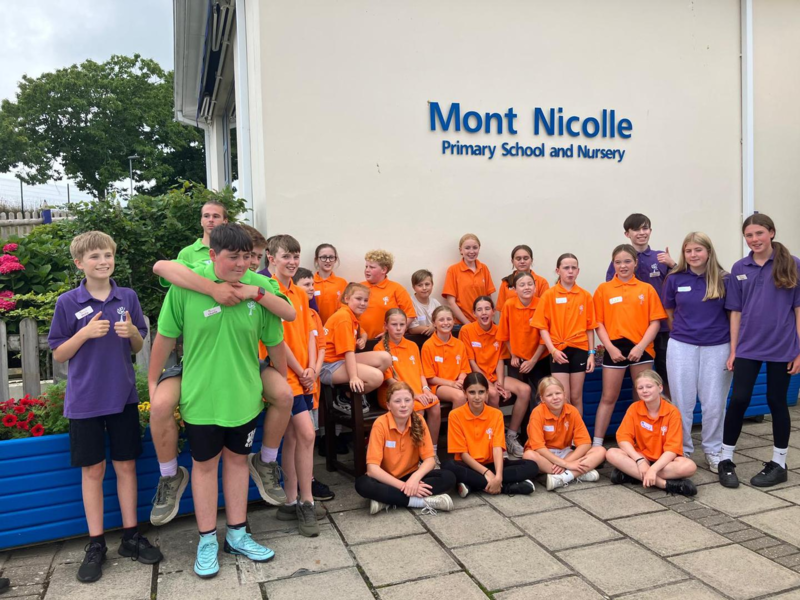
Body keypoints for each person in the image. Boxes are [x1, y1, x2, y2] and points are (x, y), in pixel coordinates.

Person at [154, 224, 284, 578]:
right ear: (213, 255)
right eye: (233, 257)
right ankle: (207, 539)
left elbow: (276, 338)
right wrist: (152, 381)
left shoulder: (258, 289)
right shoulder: (187, 287)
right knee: (205, 467)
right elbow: (165, 337)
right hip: (202, 397)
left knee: (238, 463)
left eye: (247, 257)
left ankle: (238, 535)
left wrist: (280, 380)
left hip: (244, 396)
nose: (241, 264)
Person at [48, 231, 162, 583]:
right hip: (84, 401)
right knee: (93, 471)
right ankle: (96, 543)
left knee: (126, 466)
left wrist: (132, 334)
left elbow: (137, 344)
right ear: (79, 263)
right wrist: (84, 333)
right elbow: (59, 353)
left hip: (123, 396)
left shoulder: (127, 296)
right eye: (95, 256)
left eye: (108, 255)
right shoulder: (68, 302)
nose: (103, 261)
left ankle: (131, 536)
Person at [719, 214, 800, 488]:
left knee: (776, 400)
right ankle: (726, 459)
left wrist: (799, 351)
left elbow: (798, 310)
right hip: (748, 346)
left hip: (782, 346)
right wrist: (734, 350)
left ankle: (779, 463)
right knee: (739, 399)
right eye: (749, 235)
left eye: (759, 233)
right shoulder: (740, 267)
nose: (754, 239)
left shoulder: (792, 264)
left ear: (772, 233)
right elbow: (735, 312)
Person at [265, 235, 323, 536]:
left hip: (303, 376)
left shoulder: (300, 293)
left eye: (295, 256)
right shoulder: (268, 290)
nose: (291, 261)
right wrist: (301, 371)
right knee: (307, 433)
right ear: (271, 258)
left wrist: (311, 368)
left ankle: (290, 502)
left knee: (293, 438)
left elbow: (310, 333)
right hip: (284, 375)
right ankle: (307, 501)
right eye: (286, 256)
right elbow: (276, 339)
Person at [663, 232, 732, 474]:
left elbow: (733, 315)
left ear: (708, 252)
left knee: (714, 403)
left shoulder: (724, 279)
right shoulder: (674, 278)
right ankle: (681, 450)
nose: (693, 255)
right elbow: (669, 311)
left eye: (698, 250)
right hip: (682, 346)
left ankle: (713, 450)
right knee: (682, 402)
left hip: (718, 347)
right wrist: (685, 333)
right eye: (688, 250)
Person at [592, 244, 667, 445]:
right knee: (608, 397)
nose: (623, 266)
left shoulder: (647, 289)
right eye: (618, 262)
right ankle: (596, 444)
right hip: (614, 349)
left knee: (643, 398)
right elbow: (598, 323)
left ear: (635, 263)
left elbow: (655, 322)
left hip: (641, 349)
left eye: (627, 261)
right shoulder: (603, 290)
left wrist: (641, 346)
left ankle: (644, 442)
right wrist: (609, 348)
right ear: (613, 264)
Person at [355, 382, 455, 514]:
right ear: (388, 405)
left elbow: (430, 460)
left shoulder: (419, 420)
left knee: (448, 477)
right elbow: (372, 470)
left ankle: (387, 500)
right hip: (386, 479)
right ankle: (421, 502)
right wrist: (404, 486)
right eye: (397, 401)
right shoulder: (380, 424)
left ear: (413, 403)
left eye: (407, 400)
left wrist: (414, 479)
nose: (403, 405)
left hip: (410, 475)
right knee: (363, 484)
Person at [606, 213, 675, 396]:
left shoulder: (661, 258)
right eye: (636, 229)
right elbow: (611, 292)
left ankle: (669, 411)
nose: (641, 233)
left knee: (666, 376)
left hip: (661, 328)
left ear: (650, 231)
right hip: (634, 332)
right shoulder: (621, 260)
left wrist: (673, 264)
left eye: (645, 228)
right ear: (627, 234)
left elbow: (681, 281)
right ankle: (639, 413)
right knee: (640, 382)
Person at [442, 373, 538, 497]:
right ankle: (507, 487)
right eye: (472, 392)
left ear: (487, 393)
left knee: (531, 466)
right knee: (448, 466)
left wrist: (498, 476)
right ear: (465, 393)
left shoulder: (496, 414)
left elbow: (497, 448)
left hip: (492, 463)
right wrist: (487, 473)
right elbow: (463, 454)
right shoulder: (455, 415)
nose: (477, 397)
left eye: (481, 392)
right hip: (468, 465)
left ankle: (475, 484)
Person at [459, 296, 531, 457]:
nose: (484, 313)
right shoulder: (466, 330)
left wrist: (499, 382)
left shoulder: (499, 330)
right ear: (474, 313)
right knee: (492, 394)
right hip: (476, 377)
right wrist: (491, 386)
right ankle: (498, 440)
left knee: (525, 390)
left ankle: (511, 436)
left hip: (495, 376)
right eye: (479, 310)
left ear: (493, 312)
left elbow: (500, 359)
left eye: (487, 309)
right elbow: (471, 362)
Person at [606, 370, 697, 496]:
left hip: (665, 462)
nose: (645, 391)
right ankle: (664, 484)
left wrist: (653, 469)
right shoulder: (634, 408)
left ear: (660, 388)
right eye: (640, 388)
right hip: (642, 457)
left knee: (689, 467)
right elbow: (623, 438)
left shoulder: (672, 412)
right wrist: (640, 461)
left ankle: (632, 474)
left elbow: (672, 449)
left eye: (649, 386)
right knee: (611, 453)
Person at [531, 254, 597, 415]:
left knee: (576, 397)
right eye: (566, 268)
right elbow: (542, 327)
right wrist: (552, 350)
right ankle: (563, 431)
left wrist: (591, 354)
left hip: (579, 349)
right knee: (563, 397)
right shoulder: (549, 295)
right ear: (558, 270)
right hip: (558, 351)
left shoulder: (585, 296)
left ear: (578, 271)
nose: (570, 271)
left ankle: (577, 431)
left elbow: (590, 327)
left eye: (573, 268)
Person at [293, 267, 335, 501]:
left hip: (312, 383)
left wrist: (315, 371)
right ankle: (299, 483)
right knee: (299, 436)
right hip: (296, 381)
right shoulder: (290, 313)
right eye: (307, 285)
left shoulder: (313, 315)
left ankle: (308, 479)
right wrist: (304, 373)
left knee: (310, 435)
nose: (312, 288)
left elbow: (321, 346)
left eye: (312, 284)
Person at [380, 309, 442, 461]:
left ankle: (432, 452)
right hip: (394, 394)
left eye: (402, 324)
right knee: (417, 408)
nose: (399, 328)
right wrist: (413, 395)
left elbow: (421, 373)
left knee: (435, 405)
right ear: (386, 326)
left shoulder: (412, 345)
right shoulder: (380, 348)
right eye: (394, 324)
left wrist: (426, 390)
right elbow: (390, 381)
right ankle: (418, 455)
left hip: (417, 390)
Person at [321, 283, 392, 415]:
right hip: (328, 366)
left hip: (341, 360)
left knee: (386, 358)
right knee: (377, 377)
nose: (363, 303)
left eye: (365, 300)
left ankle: (349, 394)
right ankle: (345, 397)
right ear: (347, 299)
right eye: (358, 299)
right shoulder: (343, 317)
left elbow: (361, 331)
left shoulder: (351, 315)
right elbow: (348, 352)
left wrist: (363, 339)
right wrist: (354, 377)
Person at [523, 378, 605, 490]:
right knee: (528, 455)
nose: (555, 397)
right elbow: (538, 447)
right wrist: (566, 465)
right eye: (549, 395)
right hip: (544, 455)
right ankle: (576, 473)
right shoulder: (537, 413)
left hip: (565, 453)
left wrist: (565, 462)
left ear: (564, 394)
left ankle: (562, 477)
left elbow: (585, 443)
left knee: (600, 450)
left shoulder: (572, 411)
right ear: (542, 399)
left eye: (558, 393)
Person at [497, 272, 549, 391]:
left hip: (540, 357)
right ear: (515, 289)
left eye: (530, 284)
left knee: (542, 391)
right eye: (522, 285)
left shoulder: (542, 304)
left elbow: (545, 338)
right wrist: (513, 354)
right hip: (517, 359)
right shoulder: (509, 305)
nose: (526, 287)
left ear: (535, 287)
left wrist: (533, 360)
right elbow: (504, 334)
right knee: (521, 392)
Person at [359, 249, 416, 340]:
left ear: (384, 270)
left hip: (387, 341)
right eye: (366, 266)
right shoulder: (358, 288)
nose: (367, 270)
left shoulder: (397, 289)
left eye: (372, 267)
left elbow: (410, 315)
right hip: (360, 341)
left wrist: (390, 333)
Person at [421, 306, 470, 409]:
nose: (446, 323)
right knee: (460, 396)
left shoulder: (459, 344)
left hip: (457, 384)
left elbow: (464, 370)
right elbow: (430, 378)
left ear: (454, 321)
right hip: (437, 386)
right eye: (441, 320)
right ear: (434, 323)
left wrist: (461, 381)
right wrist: (451, 384)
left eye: (449, 319)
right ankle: (455, 421)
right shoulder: (428, 346)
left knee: (479, 393)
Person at [443, 233, 496, 327]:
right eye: (467, 248)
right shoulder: (453, 270)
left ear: (479, 249)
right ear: (461, 250)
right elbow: (451, 302)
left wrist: (488, 320)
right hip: (461, 324)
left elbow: (488, 298)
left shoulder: (484, 268)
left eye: (475, 248)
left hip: (482, 323)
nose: (471, 251)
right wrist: (468, 324)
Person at [177, 200, 228, 265]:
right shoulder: (186, 254)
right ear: (201, 221)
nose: (211, 220)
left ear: (225, 221)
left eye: (215, 216)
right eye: (206, 216)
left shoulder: (234, 251)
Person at [313, 243, 348, 325]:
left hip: (336, 328)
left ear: (335, 259)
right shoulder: (310, 282)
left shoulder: (342, 283)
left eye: (331, 257)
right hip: (315, 329)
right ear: (316, 259)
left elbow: (347, 309)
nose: (328, 261)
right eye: (323, 257)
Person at [407, 269, 441, 338]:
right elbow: (412, 329)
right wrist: (434, 328)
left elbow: (443, 321)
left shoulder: (435, 303)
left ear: (432, 285)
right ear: (414, 287)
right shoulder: (410, 303)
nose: (424, 288)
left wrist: (434, 327)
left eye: (427, 284)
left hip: (435, 338)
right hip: (416, 339)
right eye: (420, 285)